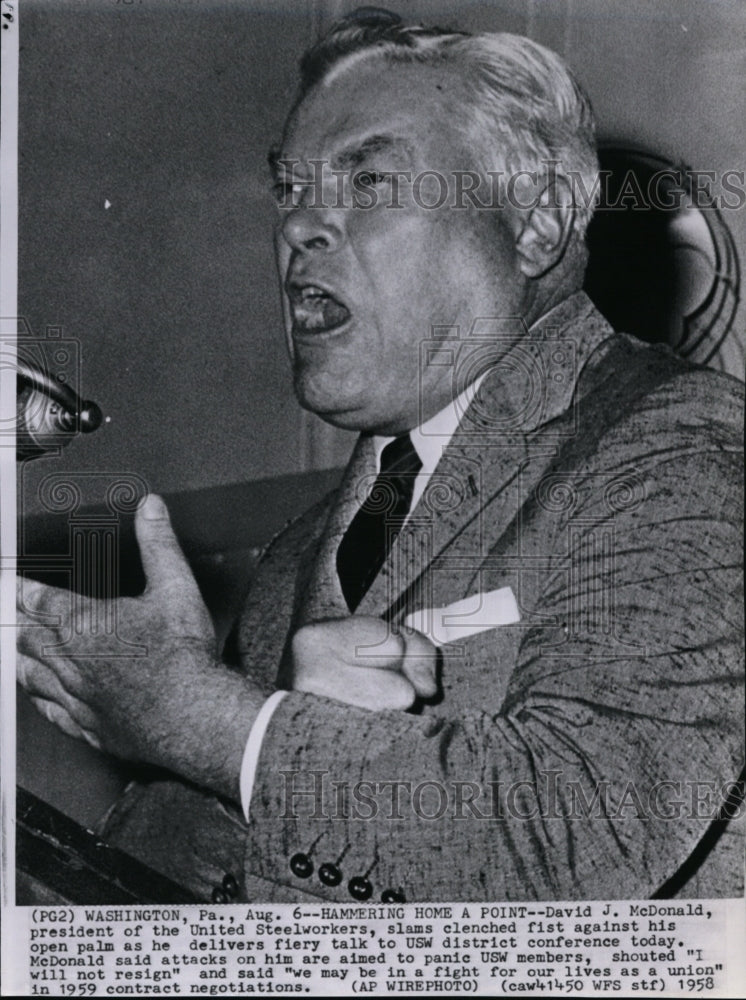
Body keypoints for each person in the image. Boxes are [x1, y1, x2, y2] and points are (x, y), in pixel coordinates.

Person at [17, 10, 744, 904]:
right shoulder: (298, 555)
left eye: (367, 180)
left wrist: (201, 720)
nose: (300, 229)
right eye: (291, 189)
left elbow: (585, 828)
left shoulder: (685, 446)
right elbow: (203, 876)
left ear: (537, 225)